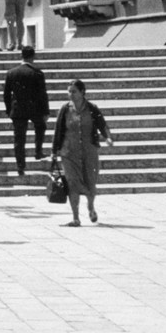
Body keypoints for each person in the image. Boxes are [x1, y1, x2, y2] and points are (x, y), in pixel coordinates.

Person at [51, 79, 113, 227]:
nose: (70, 94)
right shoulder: (65, 109)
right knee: (72, 183)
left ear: (82, 92)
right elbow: (58, 131)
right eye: (69, 91)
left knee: (90, 183)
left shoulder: (92, 108)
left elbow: (102, 125)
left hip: (89, 152)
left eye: (74, 91)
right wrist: (54, 151)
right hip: (69, 153)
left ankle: (91, 207)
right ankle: (75, 217)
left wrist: (108, 137)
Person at [3, 46, 50, 176]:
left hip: (18, 109)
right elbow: (42, 94)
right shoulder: (37, 73)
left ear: (21, 56)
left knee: (19, 139)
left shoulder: (11, 73)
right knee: (41, 127)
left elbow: (6, 94)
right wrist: (45, 111)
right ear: (33, 56)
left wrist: (9, 110)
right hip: (34, 108)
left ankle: (20, 166)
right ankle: (38, 151)